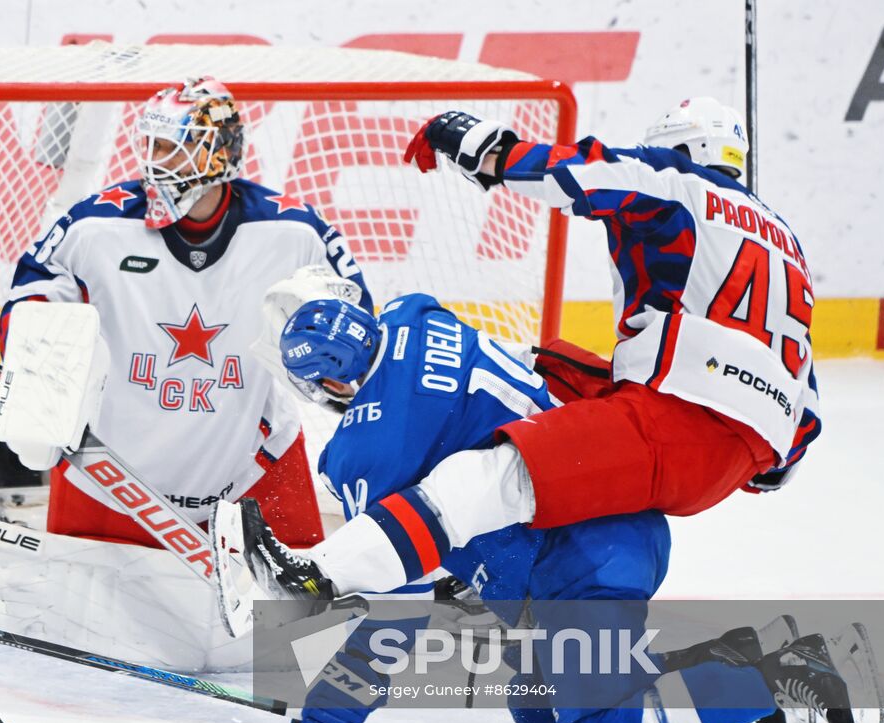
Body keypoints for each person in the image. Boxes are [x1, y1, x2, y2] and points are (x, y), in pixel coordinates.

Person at [213, 294, 865, 723]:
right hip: (605, 505)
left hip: (583, 553)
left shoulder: (367, 448)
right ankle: (734, 660)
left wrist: (334, 709)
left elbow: (398, 599)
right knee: (542, 715)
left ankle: (784, 672)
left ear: (329, 383)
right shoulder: (416, 315)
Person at [336, 97, 820, 554]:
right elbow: (797, 432)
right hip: (744, 450)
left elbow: (583, 171)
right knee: (547, 370)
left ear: (684, 150)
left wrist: (489, 151)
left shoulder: (678, 181)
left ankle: (400, 554)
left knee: (510, 441)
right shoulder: (789, 245)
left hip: (676, 411)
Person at [1, 76, 372, 551]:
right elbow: (32, 291)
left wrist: (338, 370)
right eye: (152, 144)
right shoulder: (95, 224)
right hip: (110, 476)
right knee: (84, 625)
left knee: (295, 624)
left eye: (174, 146)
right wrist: (37, 362)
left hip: (254, 467)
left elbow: (357, 321)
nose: (156, 161)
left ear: (220, 150)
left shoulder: (293, 231)